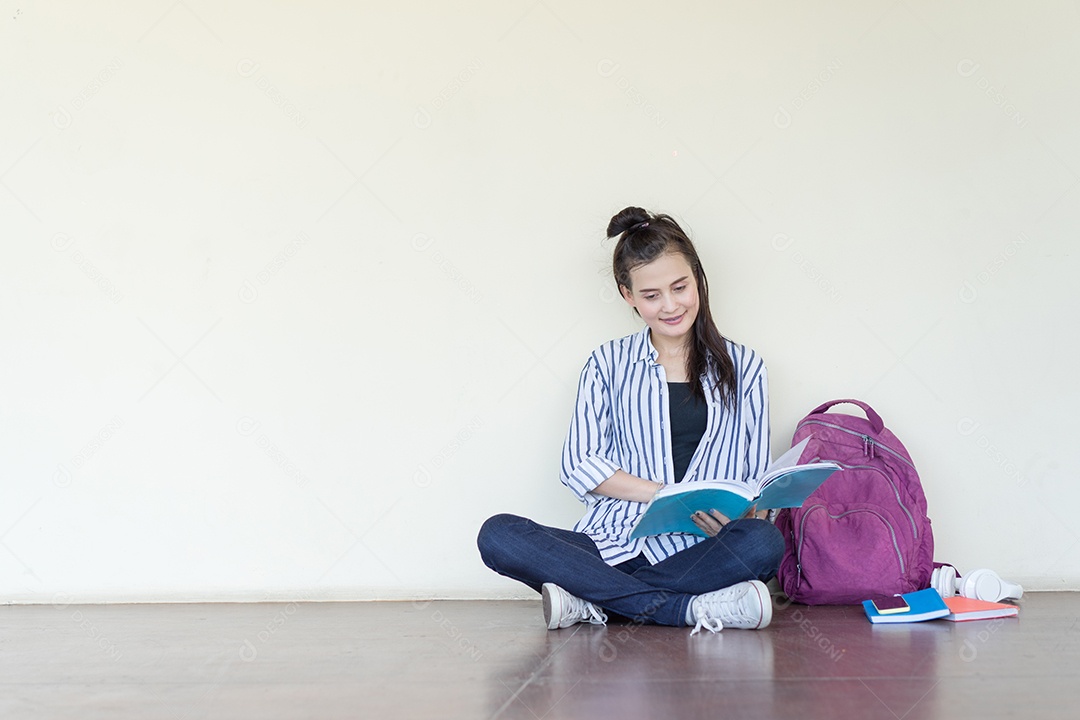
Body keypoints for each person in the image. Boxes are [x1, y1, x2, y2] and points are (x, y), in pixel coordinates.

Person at [476, 207, 785, 634]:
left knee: (764, 543)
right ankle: (685, 610)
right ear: (628, 295)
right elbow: (578, 463)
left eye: (680, 287)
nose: (671, 305)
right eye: (652, 295)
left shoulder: (745, 366)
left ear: (698, 278)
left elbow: (757, 477)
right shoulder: (608, 363)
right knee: (498, 535)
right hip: (609, 542)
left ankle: (591, 600)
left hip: (699, 549)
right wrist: (665, 495)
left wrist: (745, 515)